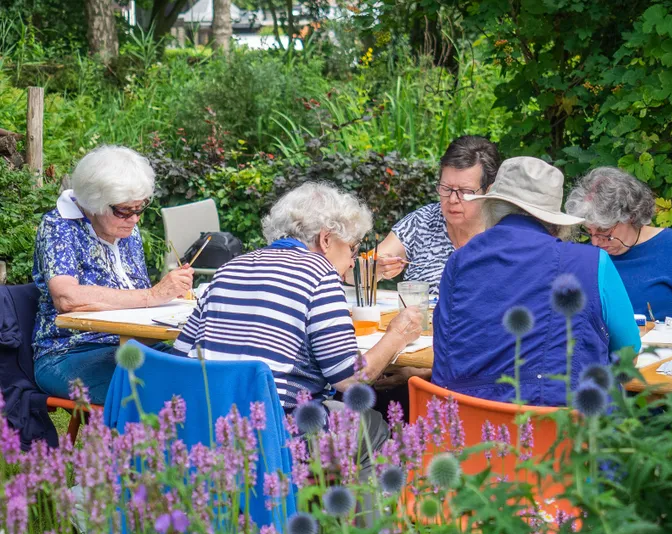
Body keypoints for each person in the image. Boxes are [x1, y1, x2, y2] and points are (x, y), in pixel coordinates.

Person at [173, 182, 423, 447]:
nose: (352, 261)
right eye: (352, 247)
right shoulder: (319, 273)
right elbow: (350, 378)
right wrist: (397, 335)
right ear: (326, 239)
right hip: (276, 435)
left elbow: (180, 356)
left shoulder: (230, 268)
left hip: (205, 427)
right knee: (375, 425)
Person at [432, 157, 641, 407]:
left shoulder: (459, 262)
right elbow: (628, 351)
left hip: (465, 429)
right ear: (554, 222)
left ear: (491, 208)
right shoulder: (593, 262)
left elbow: (446, 350)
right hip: (563, 434)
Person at [33, 146, 194, 404]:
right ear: (94, 203)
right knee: (159, 394)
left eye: (140, 209)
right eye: (124, 211)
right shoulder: (59, 227)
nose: (134, 219)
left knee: (205, 375)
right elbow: (67, 297)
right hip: (71, 352)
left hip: (135, 344)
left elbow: (131, 298)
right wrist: (153, 295)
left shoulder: (127, 231)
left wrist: (168, 295)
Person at [565, 167, 672, 321]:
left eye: (603, 230)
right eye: (589, 232)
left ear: (630, 216)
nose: (595, 242)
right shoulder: (590, 257)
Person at [374, 135, 501, 294]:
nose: (453, 199)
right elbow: (353, 271)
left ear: (487, 192)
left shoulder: (504, 231)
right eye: (446, 188)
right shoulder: (423, 221)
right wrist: (376, 269)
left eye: (465, 192)